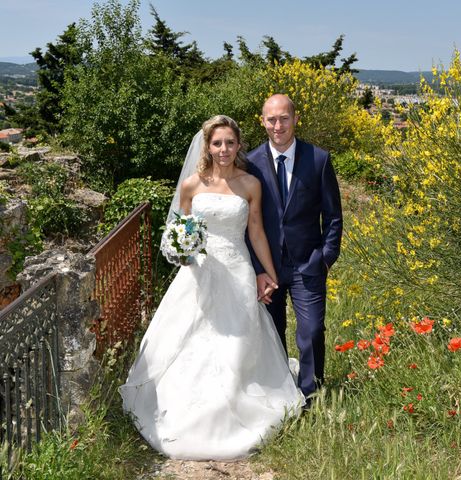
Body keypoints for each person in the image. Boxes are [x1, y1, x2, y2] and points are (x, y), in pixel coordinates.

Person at [119, 115, 305, 461]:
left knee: (235, 343)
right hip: (198, 274)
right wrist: (182, 252)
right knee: (188, 336)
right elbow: (178, 229)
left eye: (230, 143)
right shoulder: (191, 185)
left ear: (239, 145)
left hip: (236, 271)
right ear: (208, 146)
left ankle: (233, 403)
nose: (223, 149)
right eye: (217, 143)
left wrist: (268, 272)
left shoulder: (250, 184)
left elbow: (256, 232)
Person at [247, 94, 343, 402]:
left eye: (284, 118)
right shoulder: (250, 163)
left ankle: (310, 396)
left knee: (312, 332)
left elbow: (333, 216)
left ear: (296, 119)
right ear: (263, 122)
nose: (278, 126)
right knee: (272, 336)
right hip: (268, 267)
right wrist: (258, 269)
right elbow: (248, 221)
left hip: (307, 265)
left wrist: (325, 259)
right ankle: (277, 397)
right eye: (271, 119)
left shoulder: (318, 159)